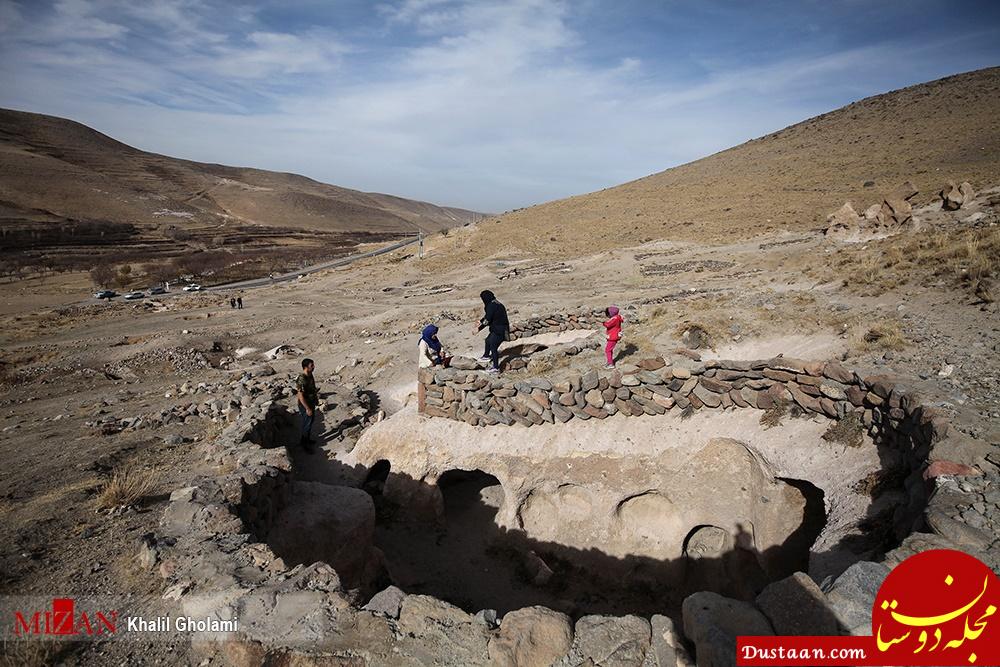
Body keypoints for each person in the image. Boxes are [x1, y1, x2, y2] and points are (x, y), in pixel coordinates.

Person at [476, 290, 508, 373]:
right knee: (488, 340)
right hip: (497, 328)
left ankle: (496, 367)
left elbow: (488, 320)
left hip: (499, 329)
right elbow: (489, 315)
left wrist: (479, 329)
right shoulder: (495, 303)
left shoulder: (491, 306)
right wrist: (480, 321)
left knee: (493, 347)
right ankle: (486, 356)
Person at [295, 358, 319, 451]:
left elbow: (312, 388)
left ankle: (306, 440)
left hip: (311, 402)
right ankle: (305, 444)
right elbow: (300, 396)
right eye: (311, 365)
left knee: (310, 421)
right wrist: (307, 408)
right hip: (305, 404)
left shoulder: (310, 375)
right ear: (306, 367)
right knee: (307, 423)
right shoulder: (301, 379)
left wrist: (315, 400)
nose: (313, 367)